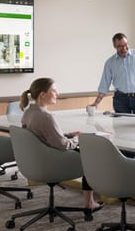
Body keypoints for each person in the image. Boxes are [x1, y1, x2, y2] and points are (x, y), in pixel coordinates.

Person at [21, 77, 101, 210]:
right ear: (42, 94)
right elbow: (63, 145)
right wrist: (78, 138)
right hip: (51, 162)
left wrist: (69, 135)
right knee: (90, 157)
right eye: (54, 90)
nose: (57, 94)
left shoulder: (28, 113)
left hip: (37, 160)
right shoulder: (46, 116)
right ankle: (90, 203)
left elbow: (43, 136)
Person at [90, 33, 135, 115]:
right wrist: (96, 103)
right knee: (121, 126)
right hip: (120, 100)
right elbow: (104, 85)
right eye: (120, 46)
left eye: (125, 44)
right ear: (115, 46)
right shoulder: (110, 63)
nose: (124, 48)